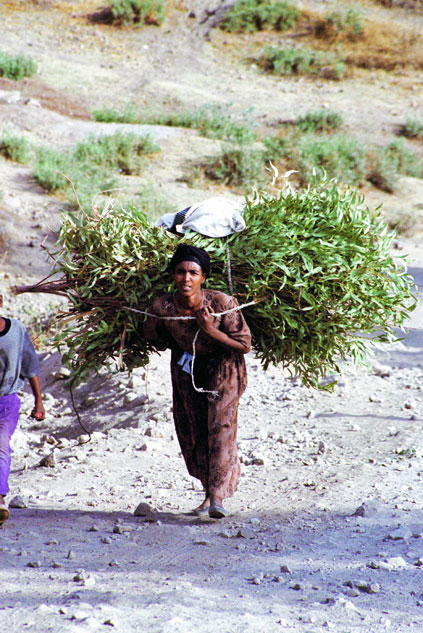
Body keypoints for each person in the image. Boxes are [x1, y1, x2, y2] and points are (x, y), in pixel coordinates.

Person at [143, 244, 251, 519]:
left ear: (204, 277)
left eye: (193, 272)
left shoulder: (221, 303)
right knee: (193, 429)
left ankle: (217, 498)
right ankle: (208, 493)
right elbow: (153, 336)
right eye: (180, 272)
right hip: (187, 370)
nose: (186, 278)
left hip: (224, 369)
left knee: (221, 428)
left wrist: (209, 331)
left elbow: (244, 344)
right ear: (173, 275)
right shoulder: (163, 307)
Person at [0, 294, 45, 526]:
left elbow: (29, 365)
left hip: (7, 400)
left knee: (1, 444)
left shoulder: (16, 330)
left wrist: (38, 401)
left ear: (0, 302)